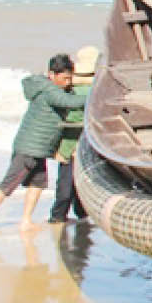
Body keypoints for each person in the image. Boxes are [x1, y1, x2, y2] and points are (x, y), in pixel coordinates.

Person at [0, 54, 88, 237]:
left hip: (39, 149)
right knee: (8, 185)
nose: (68, 82)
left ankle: (26, 220)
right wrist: (95, 94)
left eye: (70, 78)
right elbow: (70, 103)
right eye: (65, 78)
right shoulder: (49, 91)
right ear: (52, 74)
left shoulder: (51, 88)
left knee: (38, 183)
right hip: (28, 148)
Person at [48, 45, 99, 224]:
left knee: (67, 182)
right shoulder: (97, 87)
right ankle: (75, 215)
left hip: (70, 142)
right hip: (86, 142)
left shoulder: (68, 88)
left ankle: (60, 216)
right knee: (80, 181)